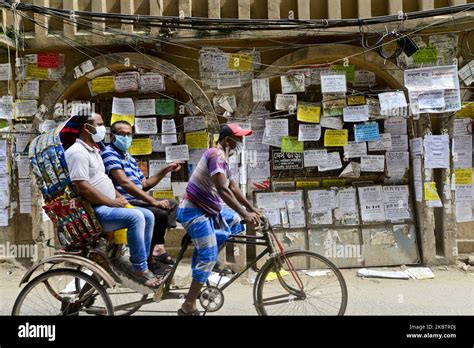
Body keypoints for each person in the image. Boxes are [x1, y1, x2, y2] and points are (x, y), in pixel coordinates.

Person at [64, 113, 162, 288]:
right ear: (87, 128)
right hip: (96, 210)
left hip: (109, 204)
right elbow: (83, 187)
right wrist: (112, 202)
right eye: (100, 124)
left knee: (148, 215)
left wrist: (118, 197)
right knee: (136, 217)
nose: (103, 129)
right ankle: (139, 268)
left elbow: (104, 181)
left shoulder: (94, 151)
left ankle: (142, 261)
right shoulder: (77, 153)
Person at [176, 123, 262, 316]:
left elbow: (232, 187)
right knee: (207, 256)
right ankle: (189, 305)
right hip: (193, 212)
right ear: (227, 140)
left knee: (234, 222)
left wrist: (250, 208)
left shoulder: (224, 159)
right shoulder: (216, 155)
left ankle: (208, 254)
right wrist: (245, 213)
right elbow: (222, 190)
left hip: (207, 211)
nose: (240, 143)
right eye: (238, 139)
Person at [101, 121, 182, 275]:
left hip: (137, 200)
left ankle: (157, 249)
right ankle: (149, 258)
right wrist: (154, 201)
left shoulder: (129, 157)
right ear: (112, 136)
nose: (126, 137)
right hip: (124, 202)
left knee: (172, 204)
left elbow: (144, 184)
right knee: (158, 213)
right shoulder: (109, 153)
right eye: (122, 134)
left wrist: (165, 169)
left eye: (129, 134)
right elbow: (125, 183)